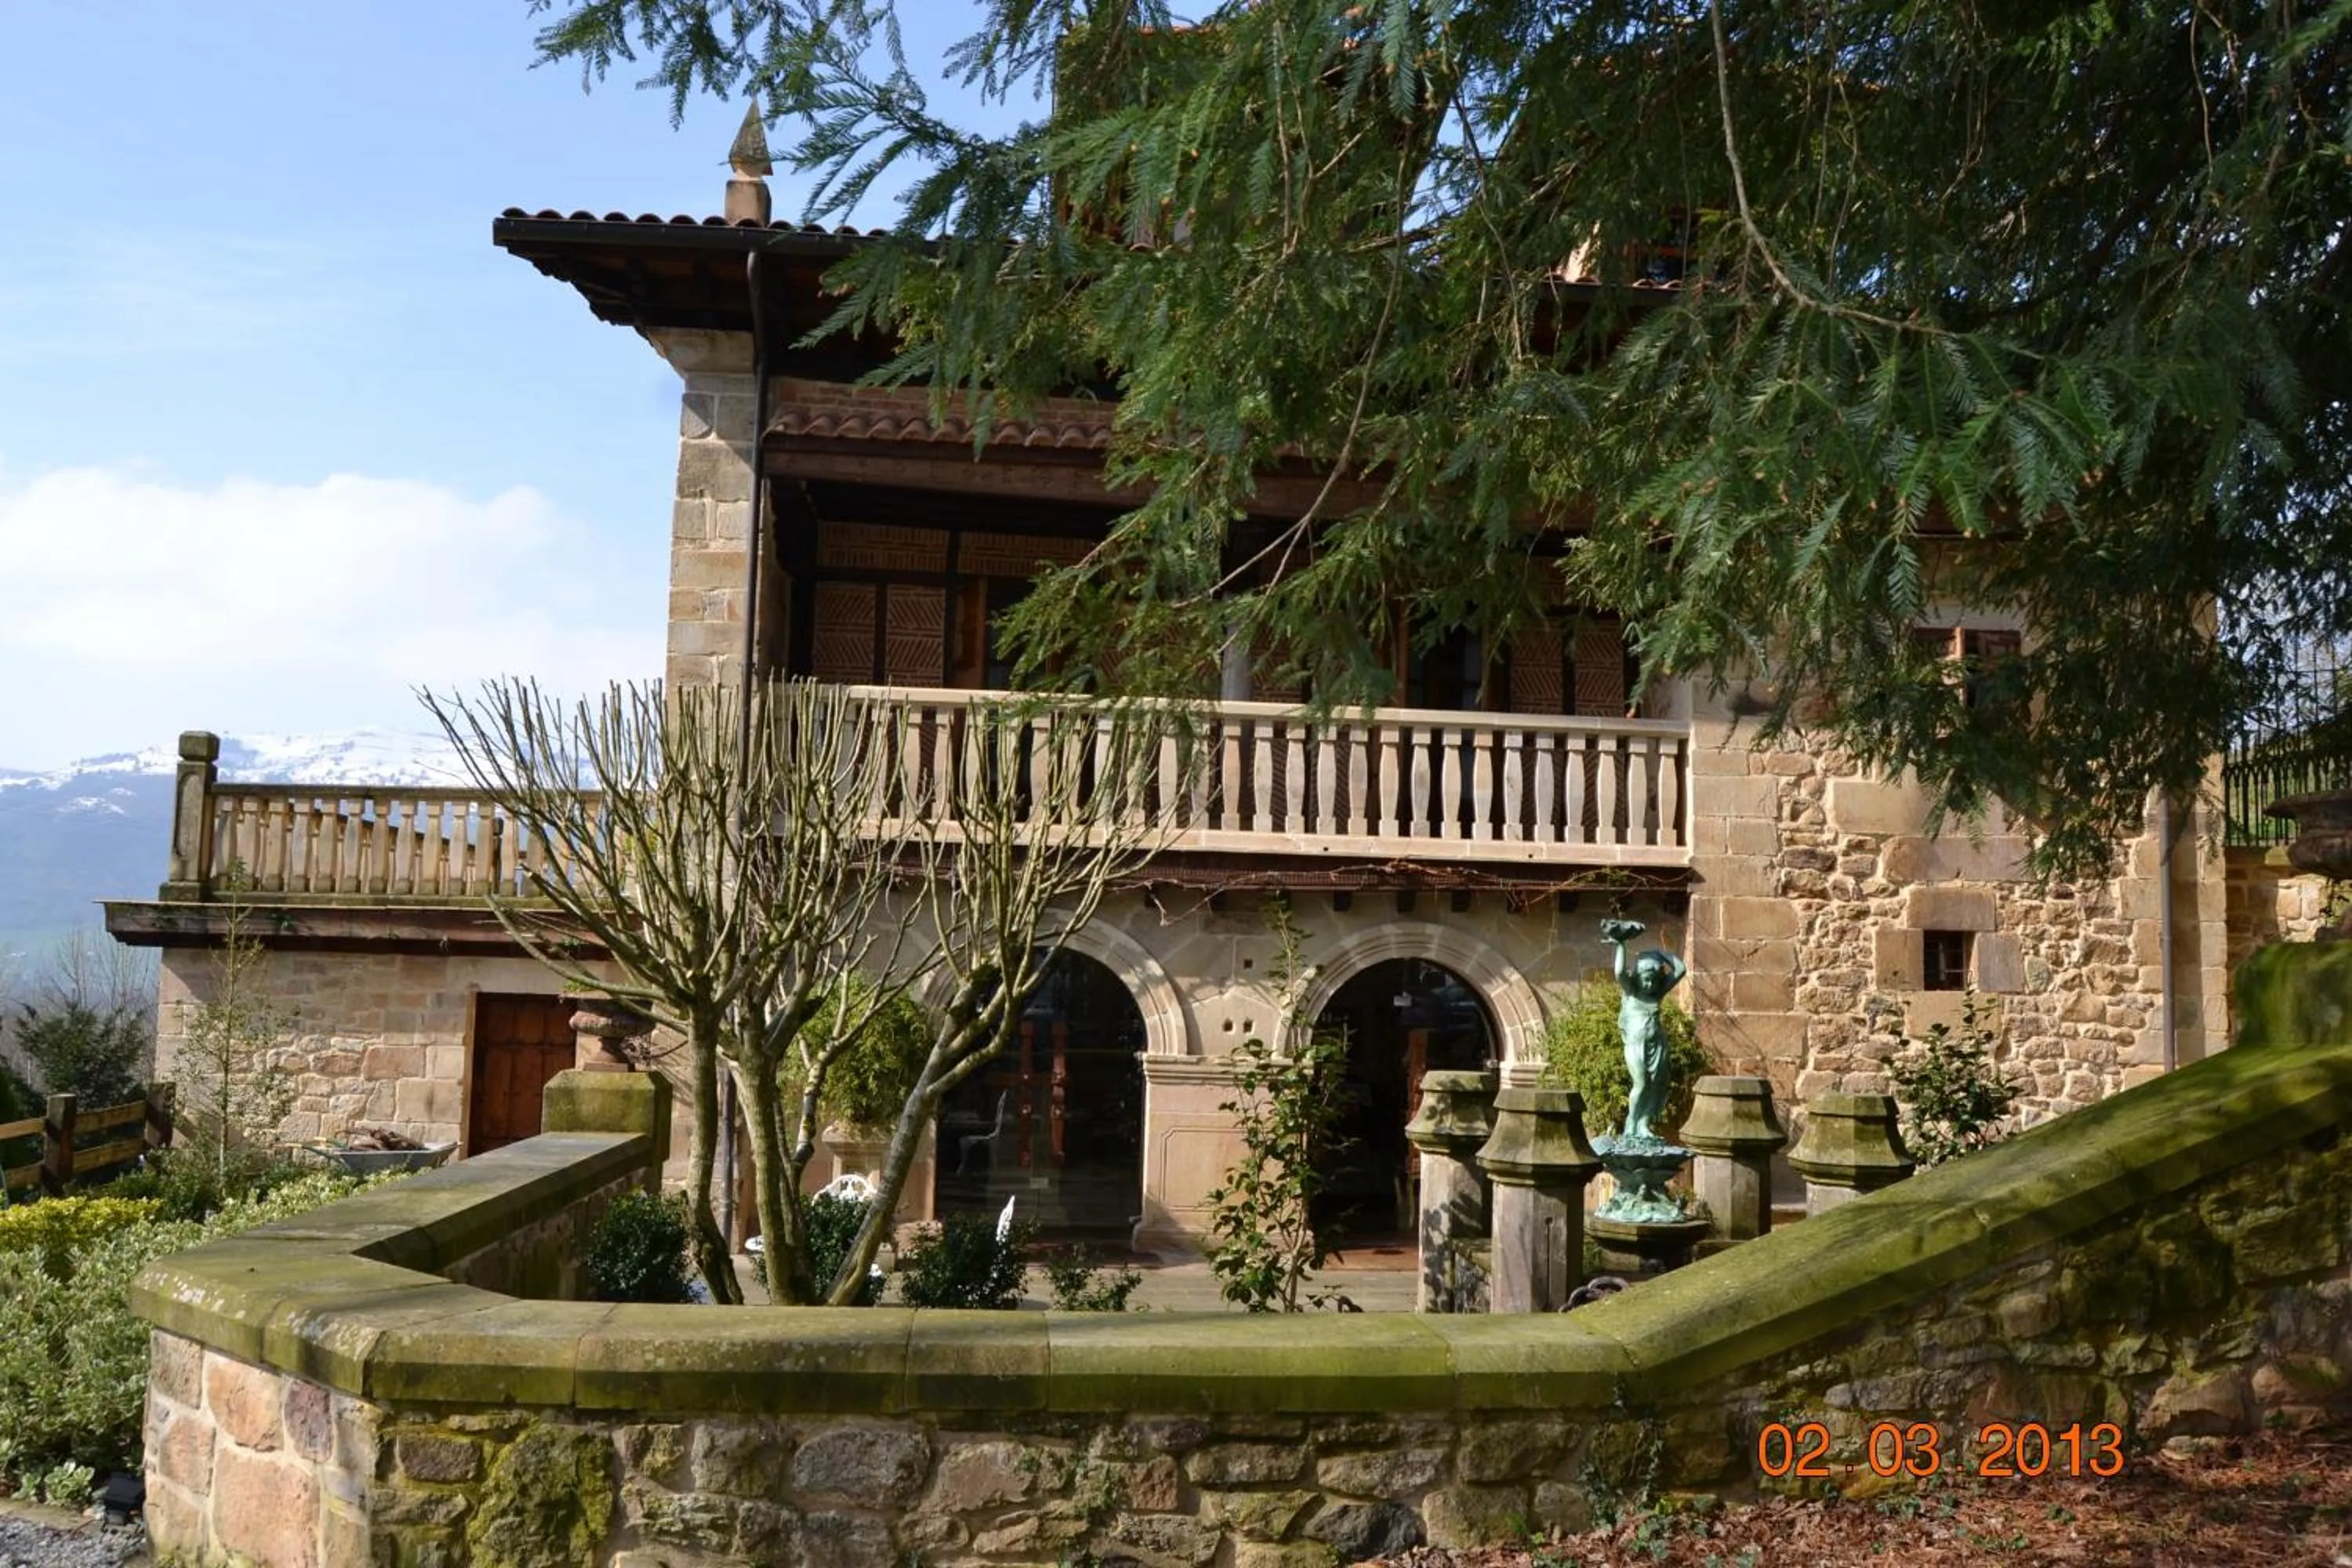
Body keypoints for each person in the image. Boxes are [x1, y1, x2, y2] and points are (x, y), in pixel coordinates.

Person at [1601, 918, 1688, 1142]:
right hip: (1635, 1045)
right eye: (1646, 980)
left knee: (1656, 1085)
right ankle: (1631, 1123)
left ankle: (1644, 1124)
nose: (1650, 985)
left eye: (1653, 981)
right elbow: (1620, 972)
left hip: (1658, 1044)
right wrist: (1621, 945)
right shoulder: (1632, 992)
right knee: (1640, 1082)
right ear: (1638, 978)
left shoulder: (1657, 993)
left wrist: (1660, 953)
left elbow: (1680, 969)